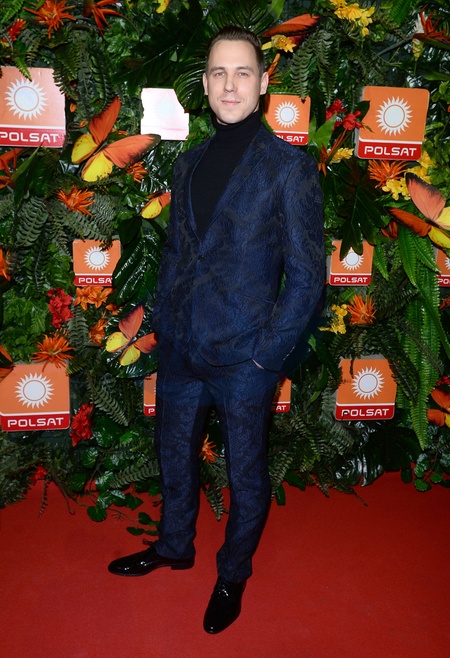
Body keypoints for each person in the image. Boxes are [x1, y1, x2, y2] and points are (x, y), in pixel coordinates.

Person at [108, 25, 325, 634]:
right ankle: (175, 546)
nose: (230, 85)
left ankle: (233, 573)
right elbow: (179, 252)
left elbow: (309, 278)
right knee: (173, 455)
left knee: (245, 475)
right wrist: (162, 323)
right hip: (181, 349)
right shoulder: (189, 164)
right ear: (205, 85)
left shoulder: (290, 169)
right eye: (219, 73)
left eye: (242, 73)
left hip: (246, 359)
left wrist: (266, 359)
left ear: (262, 83)